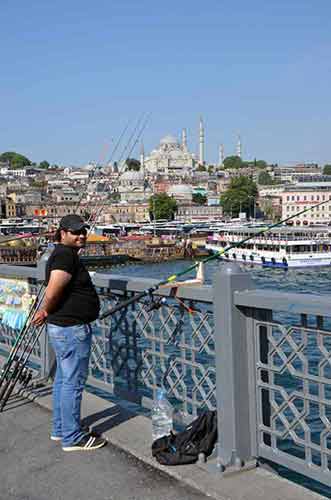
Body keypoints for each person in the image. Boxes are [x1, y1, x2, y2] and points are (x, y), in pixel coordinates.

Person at [32, 214, 107, 452]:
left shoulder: (62, 253)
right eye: (75, 232)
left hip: (63, 327)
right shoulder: (65, 255)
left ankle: (61, 429)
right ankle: (72, 437)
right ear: (62, 233)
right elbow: (55, 287)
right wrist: (45, 309)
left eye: (83, 232)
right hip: (71, 328)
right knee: (72, 384)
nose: (81, 236)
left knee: (64, 381)